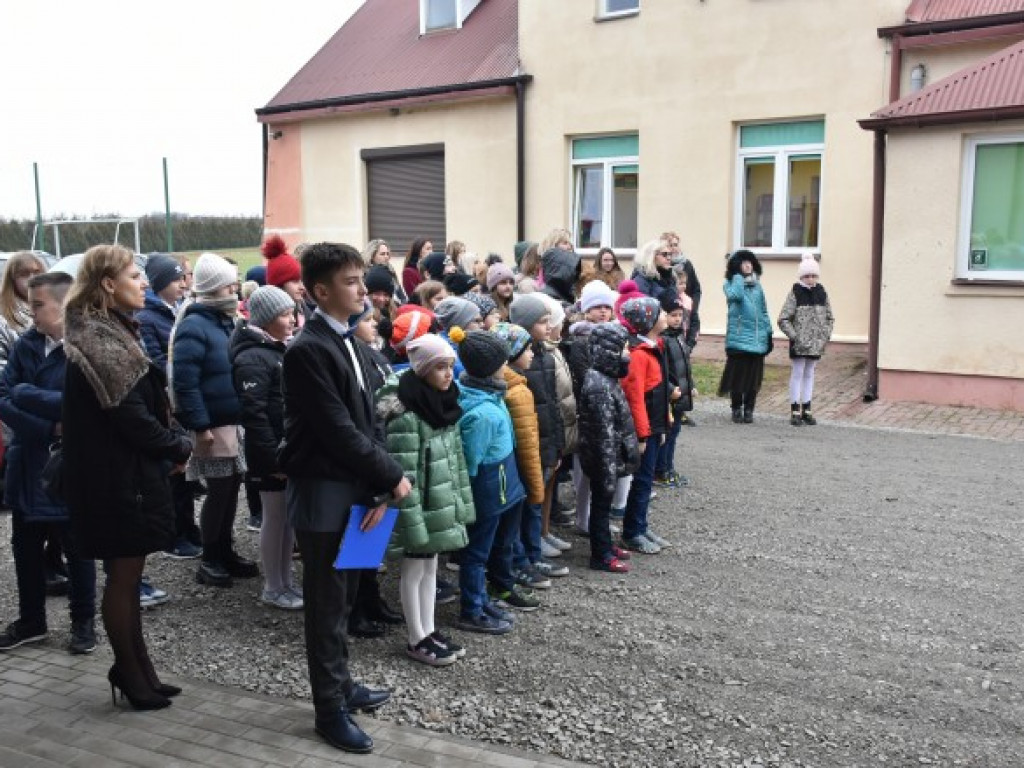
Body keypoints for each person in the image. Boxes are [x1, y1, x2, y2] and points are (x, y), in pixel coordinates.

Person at [278, 242, 410, 755]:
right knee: (327, 605)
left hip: (360, 490)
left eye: (361, 279)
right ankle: (329, 708)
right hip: (325, 494)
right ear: (320, 291)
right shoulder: (308, 349)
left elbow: (370, 419)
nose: (363, 288)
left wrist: (380, 483)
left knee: (350, 593)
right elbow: (335, 431)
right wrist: (393, 474)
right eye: (352, 281)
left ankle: (343, 684)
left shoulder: (350, 340)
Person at [63, 244, 193, 709]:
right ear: (107, 285)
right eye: (133, 276)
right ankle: (131, 676)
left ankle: (139, 671)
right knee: (122, 578)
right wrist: (178, 445)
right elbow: (132, 418)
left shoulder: (109, 330)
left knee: (128, 575)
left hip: (122, 475)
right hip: (112, 480)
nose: (142, 283)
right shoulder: (97, 340)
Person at [0, 271, 97, 654]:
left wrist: (30, 394)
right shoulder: (25, 346)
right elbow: (4, 396)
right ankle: (31, 621)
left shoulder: (85, 348)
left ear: (63, 304)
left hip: (68, 468)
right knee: (24, 549)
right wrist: (48, 427)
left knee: (78, 549)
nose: (31, 312)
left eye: (38, 305)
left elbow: (85, 405)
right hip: (28, 464)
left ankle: (83, 622)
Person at [378, 335, 475, 666]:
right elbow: (405, 474)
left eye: (450, 366)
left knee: (429, 567)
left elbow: (456, 460)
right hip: (419, 506)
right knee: (413, 569)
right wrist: (412, 520)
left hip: (440, 503)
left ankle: (429, 629)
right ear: (421, 370)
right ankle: (416, 636)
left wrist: (461, 501)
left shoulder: (443, 401)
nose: (448, 374)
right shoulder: (407, 415)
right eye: (440, 368)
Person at [171, 253, 255, 587]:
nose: (234, 290)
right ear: (212, 288)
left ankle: (224, 549)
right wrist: (200, 426)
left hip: (230, 422)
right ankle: (210, 558)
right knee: (219, 492)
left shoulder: (222, 320)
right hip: (213, 425)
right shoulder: (194, 325)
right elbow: (186, 382)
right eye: (229, 285)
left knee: (232, 490)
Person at [230, 286, 302, 610]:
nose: (292, 320)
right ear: (268, 318)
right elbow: (255, 413)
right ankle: (274, 585)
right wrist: (273, 456)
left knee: (286, 518)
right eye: (286, 314)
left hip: (280, 448)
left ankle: (285, 580)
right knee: (275, 517)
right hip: (270, 453)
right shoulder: (253, 357)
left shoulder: (274, 350)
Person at [455, 330, 529, 634]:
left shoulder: (490, 395)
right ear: (490, 368)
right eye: (502, 362)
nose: (506, 366)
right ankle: (471, 609)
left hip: (499, 487)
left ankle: (481, 598)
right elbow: (470, 462)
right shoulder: (483, 412)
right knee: (476, 554)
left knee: (484, 550)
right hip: (487, 491)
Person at [136, 255, 202, 562]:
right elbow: (158, 363)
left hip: (178, 404)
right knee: (173, 476)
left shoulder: (177, 312)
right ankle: (174, 534)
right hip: (165, 405)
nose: (183, 284)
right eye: (177, 279)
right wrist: (180, 376)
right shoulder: (148, 319)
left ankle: (188, 526)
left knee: (186, 474)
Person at [491, 322, 565, 591]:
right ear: (511, 353)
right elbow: (525, 436)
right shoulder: (517, 389)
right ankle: (521, 563)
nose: (532, 353)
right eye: (526, 349)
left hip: (535, 455)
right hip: (523, 464)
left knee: (525, 513)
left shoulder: (520, 380)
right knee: (522, 515)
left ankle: (526, 559)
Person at [578, 322, 640, 572]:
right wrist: (607, 468)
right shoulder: (599, 385)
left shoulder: (607, 377)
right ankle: (600, 554)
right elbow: (602, 434)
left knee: (603, 506)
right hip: (604, 459)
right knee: (601, 507)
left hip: (610, 457)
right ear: (609, 351)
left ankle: (605, 545)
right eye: (622, 347)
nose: (627, 352)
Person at [509, 295, 564, 562]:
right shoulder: (520, 362)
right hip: (532, 445)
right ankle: (530, 554)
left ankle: (536, 543)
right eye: (543, 322)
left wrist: (557, 444)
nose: (548, 326)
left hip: (546, 442)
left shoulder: (543, 356)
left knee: (539, 497)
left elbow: (552, 404)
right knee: (530, 502)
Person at [619, 296, 672, 555]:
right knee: (641, 482)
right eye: (660, 312)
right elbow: (636, 397)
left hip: (655, 428)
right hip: (645, 429)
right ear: (649, 321)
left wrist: (663, 426)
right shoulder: (640, 356)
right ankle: (632, 532)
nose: (665, 315)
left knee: (647, 481)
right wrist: (643, 434)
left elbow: (659, 392)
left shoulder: (655, 347)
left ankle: (641, 525)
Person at [778, 253, 834, 426]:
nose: (810, 279)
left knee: (810, 374)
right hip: (800, 344)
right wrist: (795, 337)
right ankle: (795, 409)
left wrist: (824, 336)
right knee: (798, 373)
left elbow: (829, 317)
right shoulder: (795, 292)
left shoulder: (822, 292)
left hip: (816, 344)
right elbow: (783, 319)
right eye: (807, 276)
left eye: (813, 275)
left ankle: (807, 408)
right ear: (802, 276)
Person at [719, 250, 773, 424]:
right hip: (739, 338)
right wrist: (737, 277)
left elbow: (764, 311)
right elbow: (736, 296)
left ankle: (749, 408)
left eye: (750, 262)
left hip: (757, 339)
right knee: (738, 377)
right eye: (743, 262)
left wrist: (769, 332)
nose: (748, 265)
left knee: (753, 377)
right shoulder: (730, 283)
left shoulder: (758, 286)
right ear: (737, 266)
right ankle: (736, 408)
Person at [655, 291, 695, 488]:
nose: (677, 319)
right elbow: (661, 370)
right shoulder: (662, 340)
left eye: (680, 315)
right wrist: (670, 388)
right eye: (673, 315)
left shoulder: (679, 337)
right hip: (670, 395)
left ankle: (669, 468)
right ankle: (661, 471)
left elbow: (684, 366)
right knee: (668, 434)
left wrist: (691, 385)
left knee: (675, 432)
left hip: (680, 395)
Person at [662, 231, 703, 351]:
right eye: (671, 245)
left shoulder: (687, 265)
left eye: (676, 244)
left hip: (686, 311)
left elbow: (696, 289)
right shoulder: (662, 267)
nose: (674, 248)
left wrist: (693, 307)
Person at [263, 235, 314, 328]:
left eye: (301, 280)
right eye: (295, 281)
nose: (302, 287)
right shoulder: (269, 322)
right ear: (279, 285)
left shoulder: (303, 310)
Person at [362, 239, 407, 305]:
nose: (386, 257)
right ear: (372, 256)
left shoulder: (390, 271)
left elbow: (401, 295)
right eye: (382, 254)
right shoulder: (364, 273)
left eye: (387, 254)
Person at [630, 238, 676, 302]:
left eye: (670, 254)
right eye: (664, 254)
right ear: (651, 256)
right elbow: (644, 308)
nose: (669, 258)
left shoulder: (670, 277)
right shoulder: (641, 280)